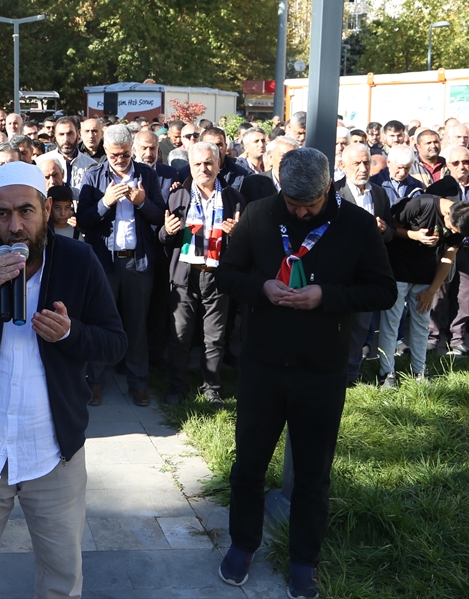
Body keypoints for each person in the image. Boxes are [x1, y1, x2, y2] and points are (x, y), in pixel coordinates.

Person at [0, 161, 127, 599]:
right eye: (2, 214)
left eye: (26, 211)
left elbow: (115, 344)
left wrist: (70, 334)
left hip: (53, 452)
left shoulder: (78, 260)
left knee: (61, 577)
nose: (15, 226)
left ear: (47, 209)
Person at [215, 148, 396, 599]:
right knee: (249, 464)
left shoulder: (356, 224)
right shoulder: (259, 214)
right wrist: (261, 287)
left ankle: (304, 560)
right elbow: (226, 275)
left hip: (321, 369)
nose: (299, 212)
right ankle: (243, 544)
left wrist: (326, 296)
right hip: (262, 365)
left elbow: (383, 290)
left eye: (309, 205)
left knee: (313, 474)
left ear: (328, 188)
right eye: (292, 203)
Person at [76, 124, 165, 407]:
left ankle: (138, 382)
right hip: (105, 262)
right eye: (115, 155)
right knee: (101, 322)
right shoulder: (94, 175)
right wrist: (105, 202)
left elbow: (160, 217)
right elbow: (84, 221)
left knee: (137, 325)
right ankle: (95, 382)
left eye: (125, 154)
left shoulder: (147, 175)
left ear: (132, 149)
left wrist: (142, 202)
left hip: (138, 262)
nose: (120, 160)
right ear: (105, 150)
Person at [159, 142, 243, 408]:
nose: (203, 168)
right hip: (185, 276)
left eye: (209, 163)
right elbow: (163, 238)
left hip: (217, 276)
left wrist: (237, 234)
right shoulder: (178, 195)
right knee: (180, 336)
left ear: (219, 165)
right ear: (190, 167)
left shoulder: (234, 198)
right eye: (197, 164)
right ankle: (176, 387)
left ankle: (211, 389)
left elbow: (245, 244)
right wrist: (168, 231)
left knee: (214, 338)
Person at [380, 189, 469, 388]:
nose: (453, 233)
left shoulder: (462, 223)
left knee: (422, 325)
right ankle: (387, 373)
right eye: (452, 228)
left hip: (425, 276)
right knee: (391, 324)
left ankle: (419, 370)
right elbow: (390, 228)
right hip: (397, 271)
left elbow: (448, 258)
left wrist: (432, 290)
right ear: (447, 213)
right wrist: (414, 235)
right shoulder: (421, 205)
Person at [424, 146, 469, 357]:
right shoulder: (438, 188)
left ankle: (457, 339)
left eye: (466, 162)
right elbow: (431, 218)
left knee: (465, 296)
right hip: (445, 250)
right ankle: (432, 338)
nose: (461, 166)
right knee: (439, 295)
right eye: (456, 163)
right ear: (448, 165)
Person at [335, 144, 394, 382]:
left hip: (367, 271)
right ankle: (334, 369)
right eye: (356, 163)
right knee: (337, 324)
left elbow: (391, 230)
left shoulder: (378, 193)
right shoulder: (334, 193)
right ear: (343, 166)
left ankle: (351, 372)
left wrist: (383, 230)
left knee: (361, 324)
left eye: (366, 163)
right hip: (340, 270)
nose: (362, 168)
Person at [53, 117, 97, 188]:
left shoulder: (92, 165)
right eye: (61, 134)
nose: (66, 139)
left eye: (70, 134)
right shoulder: (42, 162)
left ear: (78, 134)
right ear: (55, 135)